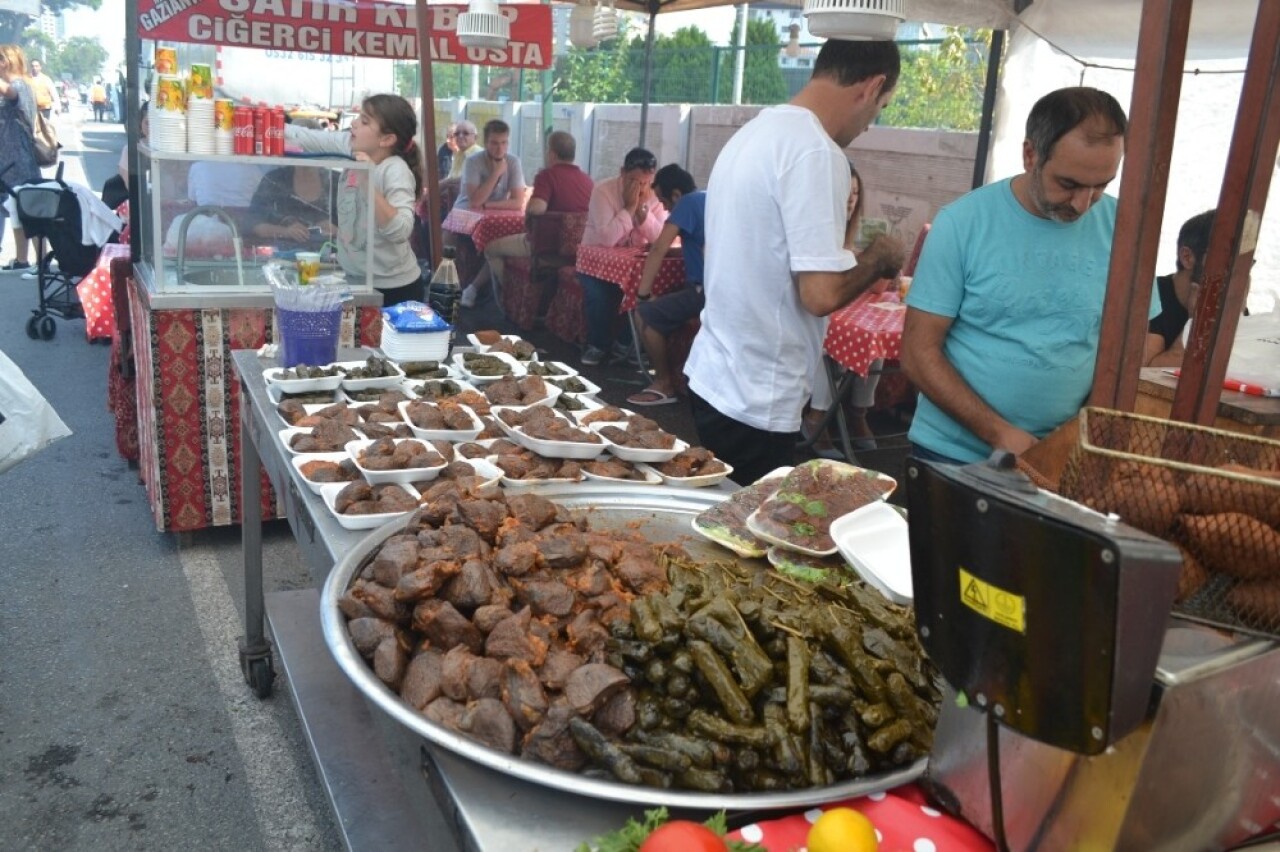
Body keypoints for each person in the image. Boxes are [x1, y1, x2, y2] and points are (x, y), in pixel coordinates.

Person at [683, 40, 906, 485]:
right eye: (880, 107)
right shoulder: (817, 152)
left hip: (717, 374)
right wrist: (879, 256)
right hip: (756, 394)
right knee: (746, 540)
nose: (868, 125)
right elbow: (820, 294)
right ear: (872, 86)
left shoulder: (754, 133)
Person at [901, 86, 1158, 465]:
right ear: (1030, 155)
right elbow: (918, 352)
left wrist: (1077, 434)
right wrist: (1000, 433)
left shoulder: (1126, 230)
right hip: (953, 455)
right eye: (1068, 184)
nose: (1083, 204)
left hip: (1065, 456)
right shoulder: (963, 223)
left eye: (1101, 186)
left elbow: (1129, 349)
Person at [285, 93, 426, 306]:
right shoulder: (349, 147)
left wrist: (366, 179)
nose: (354, 123)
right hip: (355, 281)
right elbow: (303, 137)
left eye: (364, 121)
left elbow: (400, 230)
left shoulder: (395, 170)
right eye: (358, 117)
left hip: (394, 289)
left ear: (386, 139)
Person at [474, 129, 594, 308]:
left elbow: (537, 208)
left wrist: (530, 205)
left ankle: (511, 294)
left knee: (490, 248)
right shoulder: (588, 180)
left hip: (545, 249)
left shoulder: (547, 175)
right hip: (577, 252)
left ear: (551, 153)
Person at [578, 147, 666, 366]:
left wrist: (642, 213)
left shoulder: (655, 195)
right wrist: (628, 208)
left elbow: (660, 237)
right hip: (594, 264)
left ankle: (626, 344)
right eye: (635, 181)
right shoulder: (603, 191)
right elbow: (607, 237)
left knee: (649, 290)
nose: (641, 187)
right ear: (622, 173)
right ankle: (598, 345)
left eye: (646, 182)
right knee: (600, 294)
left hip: (632, 266)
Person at [626, 164, 705, 406]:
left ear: (676, 194)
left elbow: (659, 248)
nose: (666, 209)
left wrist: (642, 294)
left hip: (704, 291)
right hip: (724, 289)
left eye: (664, 201)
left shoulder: (687, 203)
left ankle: (664, 383)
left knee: (645, 314)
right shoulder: (707, 197)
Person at [1143, 209, 1215, 368]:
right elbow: (1146, 374)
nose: (1237, 273)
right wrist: (1198, 321)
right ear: (1187, 257)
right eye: (1224, 261)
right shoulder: (1151, 295)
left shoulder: (1230, 299)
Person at [0, 44, 41, 271]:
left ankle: (40, 259)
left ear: (4, 62)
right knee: (17, 211)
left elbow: (11, 94)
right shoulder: (23, 84)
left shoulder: (17, 85)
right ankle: (22, 259)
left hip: (17, 159)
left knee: (28, 211)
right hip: (11, 159)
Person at [245, 165, 337, 250]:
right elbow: (253, 225)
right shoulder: (275, 179)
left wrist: (336, 231)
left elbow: (350, 232)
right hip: (282, 258)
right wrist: (285, 232)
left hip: (333, 259)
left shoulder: (336, 181)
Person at [186, 160, 265, 208]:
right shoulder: (253, 169)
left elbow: (192, 202)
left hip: (204, 229)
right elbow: (262, 202)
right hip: (243, 230)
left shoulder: (198, 167)